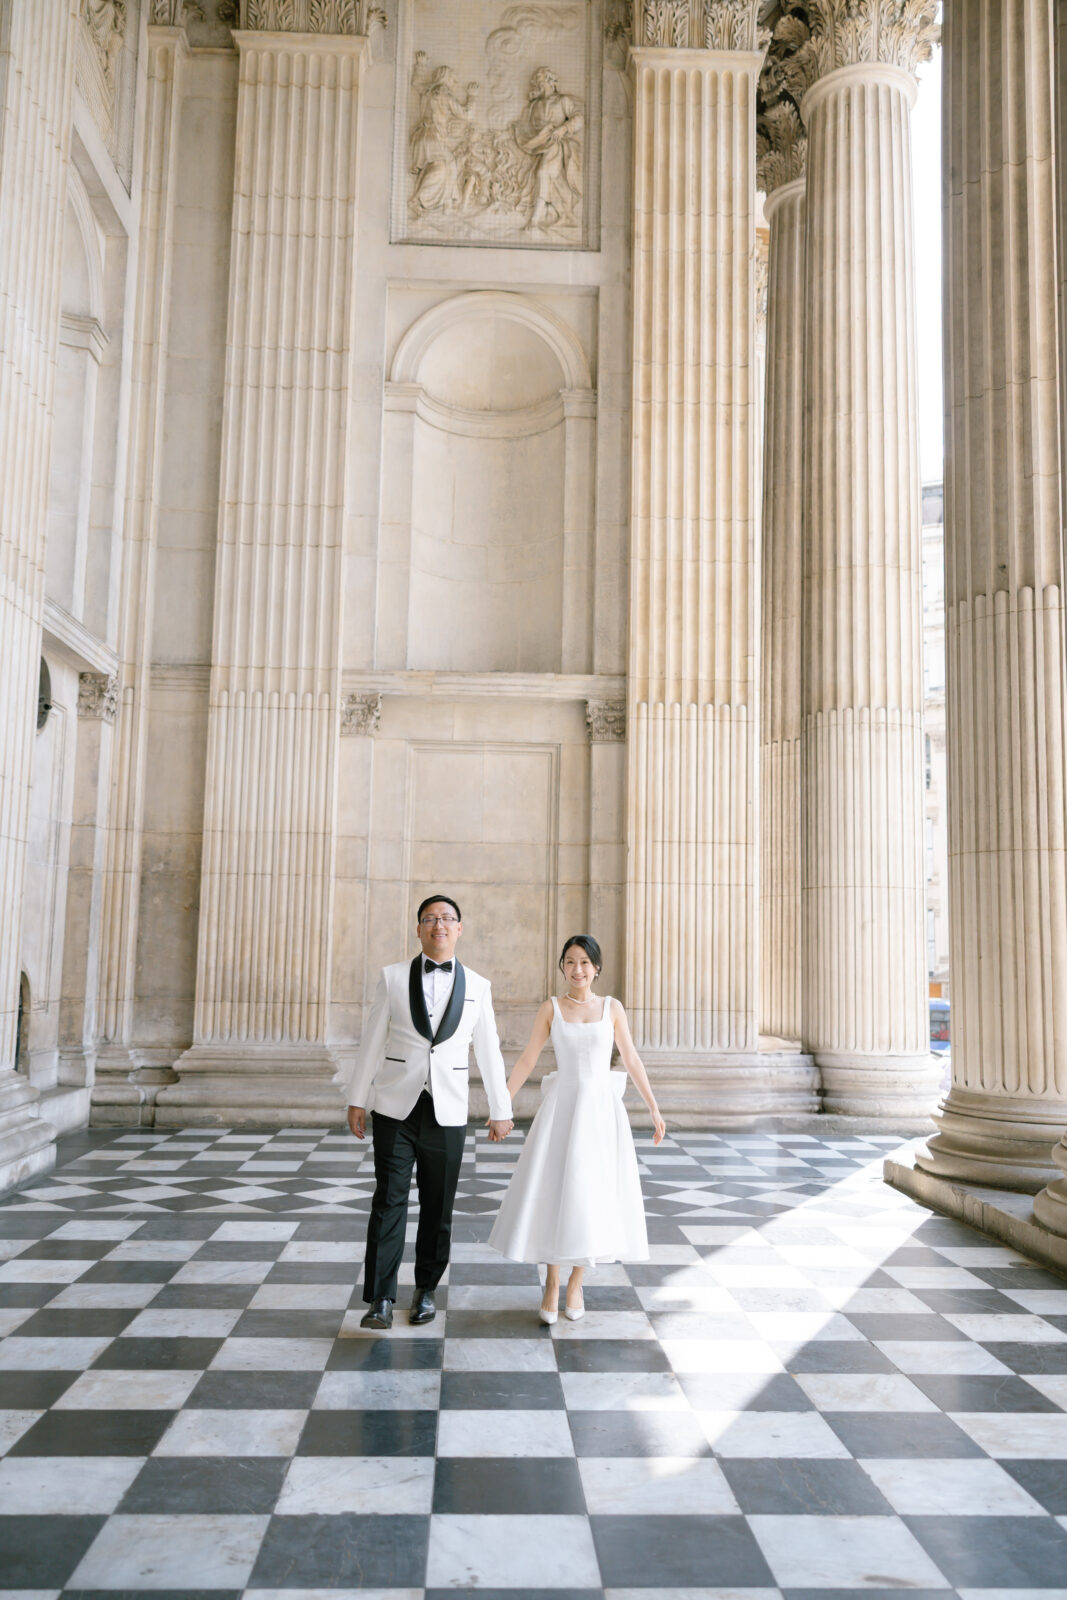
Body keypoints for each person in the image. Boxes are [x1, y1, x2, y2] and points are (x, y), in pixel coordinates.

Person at [347, 895, 513, 1330]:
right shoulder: (393, 977)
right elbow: (372, 1040)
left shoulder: (478, 986)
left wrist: (501, 1108)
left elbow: (490, 1052)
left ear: (460, 928)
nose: (438, 925)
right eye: (429, 919)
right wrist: (356, 1097)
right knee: (388, 1201)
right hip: (394, 1107)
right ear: (418, 929)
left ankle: (425, 1291)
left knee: (438, 1207)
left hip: (449, 1110)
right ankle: (380, 1298)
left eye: (447, 919)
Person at [488, 935, 665, 1323]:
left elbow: (631, 1058)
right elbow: (527, 1060)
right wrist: (502, 1103)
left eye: (585, 962)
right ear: (562, 967)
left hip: (601, 1113)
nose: (578, 969)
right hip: (563, 1110)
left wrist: (653, 1107)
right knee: (556, 1190)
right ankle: (552, 1281)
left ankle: (577, 1281)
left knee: (593, 1195)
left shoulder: (612, 1008)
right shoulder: (550, 1008)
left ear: (596, 967)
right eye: (570, 962)